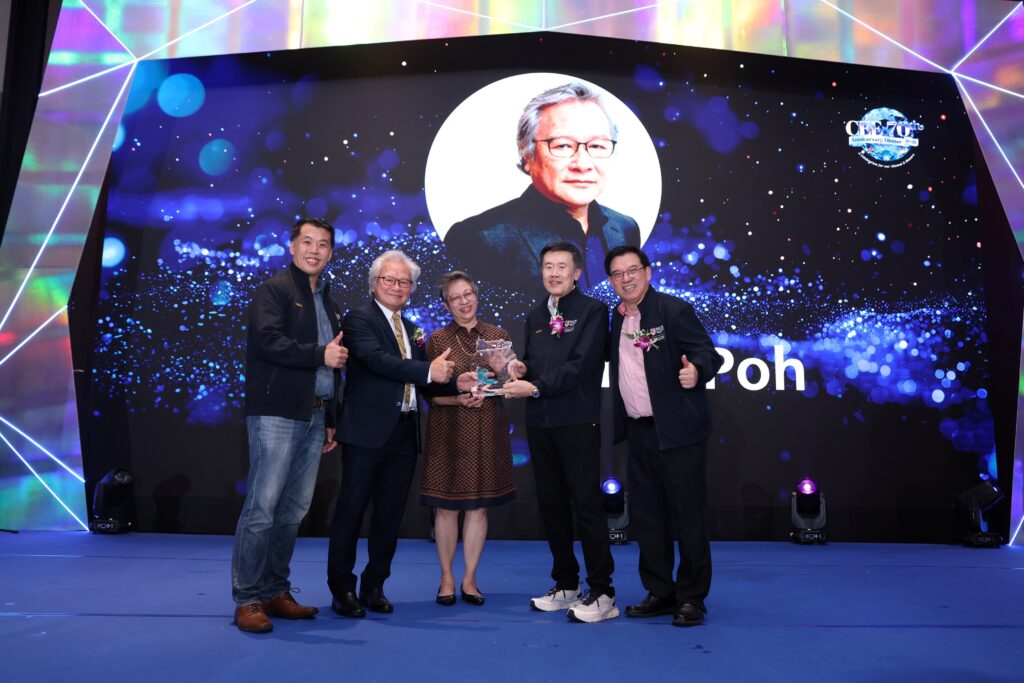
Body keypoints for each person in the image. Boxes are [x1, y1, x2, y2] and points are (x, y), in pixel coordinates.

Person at [326, 250, 476, 618]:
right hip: (365, 433)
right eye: (389, 280)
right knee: (351, 511)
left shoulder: (412, 329)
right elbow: (377, 361)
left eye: (404, 282)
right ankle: (342, 588)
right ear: (374, 283)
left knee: (390, 514)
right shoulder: (358, 319)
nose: (397, 286)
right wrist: (428, 371)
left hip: (404, 433)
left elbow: (425, 381)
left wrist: (457, 385)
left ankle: (375, 585)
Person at [231, 217, 349, 633]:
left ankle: (275, 590)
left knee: (293, 511)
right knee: (262, 509)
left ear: (331, 252)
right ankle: (248, 598)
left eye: (323, 244)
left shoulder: (330, 301)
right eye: (308, 242)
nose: (315, 250)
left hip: (314, 414)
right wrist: (319, 355)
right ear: (292, 246)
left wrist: (330, 417)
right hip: (277, 413)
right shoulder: (275, 290)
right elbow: (267, 341)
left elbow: (334, 366)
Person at [604, 245, 723, 627]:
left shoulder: (673, 310)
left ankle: (692, 598)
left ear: (648, 272)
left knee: (688, 516)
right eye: (617, 274)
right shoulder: (616, 318)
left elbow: (709, 353)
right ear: (611, 281)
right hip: (638, 431)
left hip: (679, 432)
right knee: (648, 517)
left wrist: (697, 371)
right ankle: (660, 591)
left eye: (632, 270)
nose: (626, 279)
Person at [502, 241, 617, 623]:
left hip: (577, 421)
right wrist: (521, 368)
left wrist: (534, 386)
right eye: (548, 266)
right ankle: (566, 583)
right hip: (540, 422)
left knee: (586, 505)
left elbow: (582, 365)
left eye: (561, 266)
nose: (553, 273)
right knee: (552, 505)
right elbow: (536, 363)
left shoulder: (593, 311)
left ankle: (602, 591)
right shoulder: (535, 315)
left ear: (577, 272)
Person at [444, 81, 640, 292]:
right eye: (562, 145)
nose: (583, 164)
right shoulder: (477, 238)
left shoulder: (626, 228)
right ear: (527, 155)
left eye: (597, 146)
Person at [420, 271, 517, 607]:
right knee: (446, 508)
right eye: (455, 297)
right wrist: (457, 398)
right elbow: (428, 394)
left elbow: (509, 383)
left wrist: (504, 372)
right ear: (446, 304)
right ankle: (446, 577)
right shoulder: (436, 340)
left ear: (477, 295)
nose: (464, 302)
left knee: (478, 507)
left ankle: (470, 579)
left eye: (468, 294)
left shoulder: (498, 335)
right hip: (448, 430)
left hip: (487, 428)